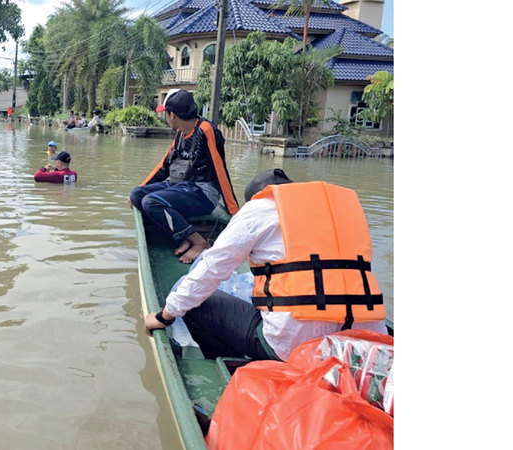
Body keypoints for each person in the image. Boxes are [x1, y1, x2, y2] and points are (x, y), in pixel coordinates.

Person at [144, 169, 389, 361]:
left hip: (293, 349)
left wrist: (165, 315)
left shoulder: (258, 208)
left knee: (196, 305)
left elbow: (211, 269)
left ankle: (233, 362)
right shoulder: (339, 213)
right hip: (363, 344)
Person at [129, 88, 238, 264]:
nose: (165, 117)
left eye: (165, 114)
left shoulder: (206, 130)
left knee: (151, 202)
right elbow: (163, 167)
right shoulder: (181, 133)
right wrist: (141, 188)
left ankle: (198, 242)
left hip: (203, 192)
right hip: (181, 187)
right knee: (137, 195)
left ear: (172, 115)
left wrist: (234, 213)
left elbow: (220, 172)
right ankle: (185, 235)